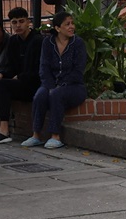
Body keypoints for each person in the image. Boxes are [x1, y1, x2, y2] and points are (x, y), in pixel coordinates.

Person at [22, 10, 87, 149]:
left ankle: (55, 136)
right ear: (57, 28)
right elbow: (43, 68)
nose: (71, 27)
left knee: (56, 95)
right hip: (52, 84)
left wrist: (60, 86)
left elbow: (78, 70)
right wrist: (51, 86)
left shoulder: (78, 43)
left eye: (72, 24)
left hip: (74, 86)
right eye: (67, 24)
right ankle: (36, 135)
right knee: (40, 95)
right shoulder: (48, 43)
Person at [0, 7, 43, 143]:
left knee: (2, 84)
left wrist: (20, 76)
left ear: (28, 22)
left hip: (33, 85)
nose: (18, 25)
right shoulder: (13, 41)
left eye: (21, 21)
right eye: (14, 22)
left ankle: (4, 129)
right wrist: (1, 73)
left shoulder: (38, 41)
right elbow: (11, 67)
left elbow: (38, 70)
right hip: (19, 83)